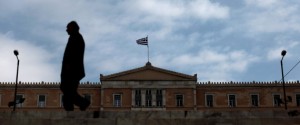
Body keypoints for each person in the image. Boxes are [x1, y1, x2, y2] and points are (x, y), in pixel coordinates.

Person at [60, 21, 90, 111]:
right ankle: (74, 106)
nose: (66, 30)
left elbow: (75, 55)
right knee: (67, 90)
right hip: (70, 70)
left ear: (73, 28)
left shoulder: (77, 38)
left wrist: (69, 67)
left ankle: (83, 103)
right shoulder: (74, 37)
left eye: (68, 28)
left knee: (68, 90)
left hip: (72, 71)